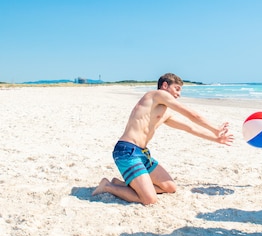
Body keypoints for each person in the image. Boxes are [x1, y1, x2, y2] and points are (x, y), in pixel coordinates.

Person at [92, 73, 234, 205]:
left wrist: (216, 139)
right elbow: (191, 114)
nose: (178, 94)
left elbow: (190, 128)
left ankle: (121, 183)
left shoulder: (164, 113)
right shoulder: (156, 95)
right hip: (126, 151)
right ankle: (108, 186)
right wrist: (215, 128)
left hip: (143, 153)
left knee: (170, 187)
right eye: (177, 89)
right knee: (149, 199)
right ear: (165, 86)